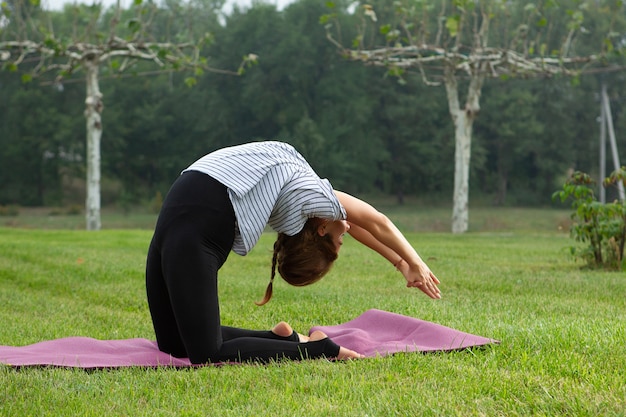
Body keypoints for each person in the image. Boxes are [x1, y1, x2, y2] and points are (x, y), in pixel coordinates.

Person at [146, 141, 440, 365]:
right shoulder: (309, 193)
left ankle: (286, 341)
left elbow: (362, 224)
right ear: (322, 229)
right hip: (192, 215)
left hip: (190, 214)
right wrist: (413, 263)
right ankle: (319, 348)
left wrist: (402, 262)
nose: (347, 231)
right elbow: (375, 221)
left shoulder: (308, 197)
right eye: (342, 241)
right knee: (191, 348)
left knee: (189, 347)